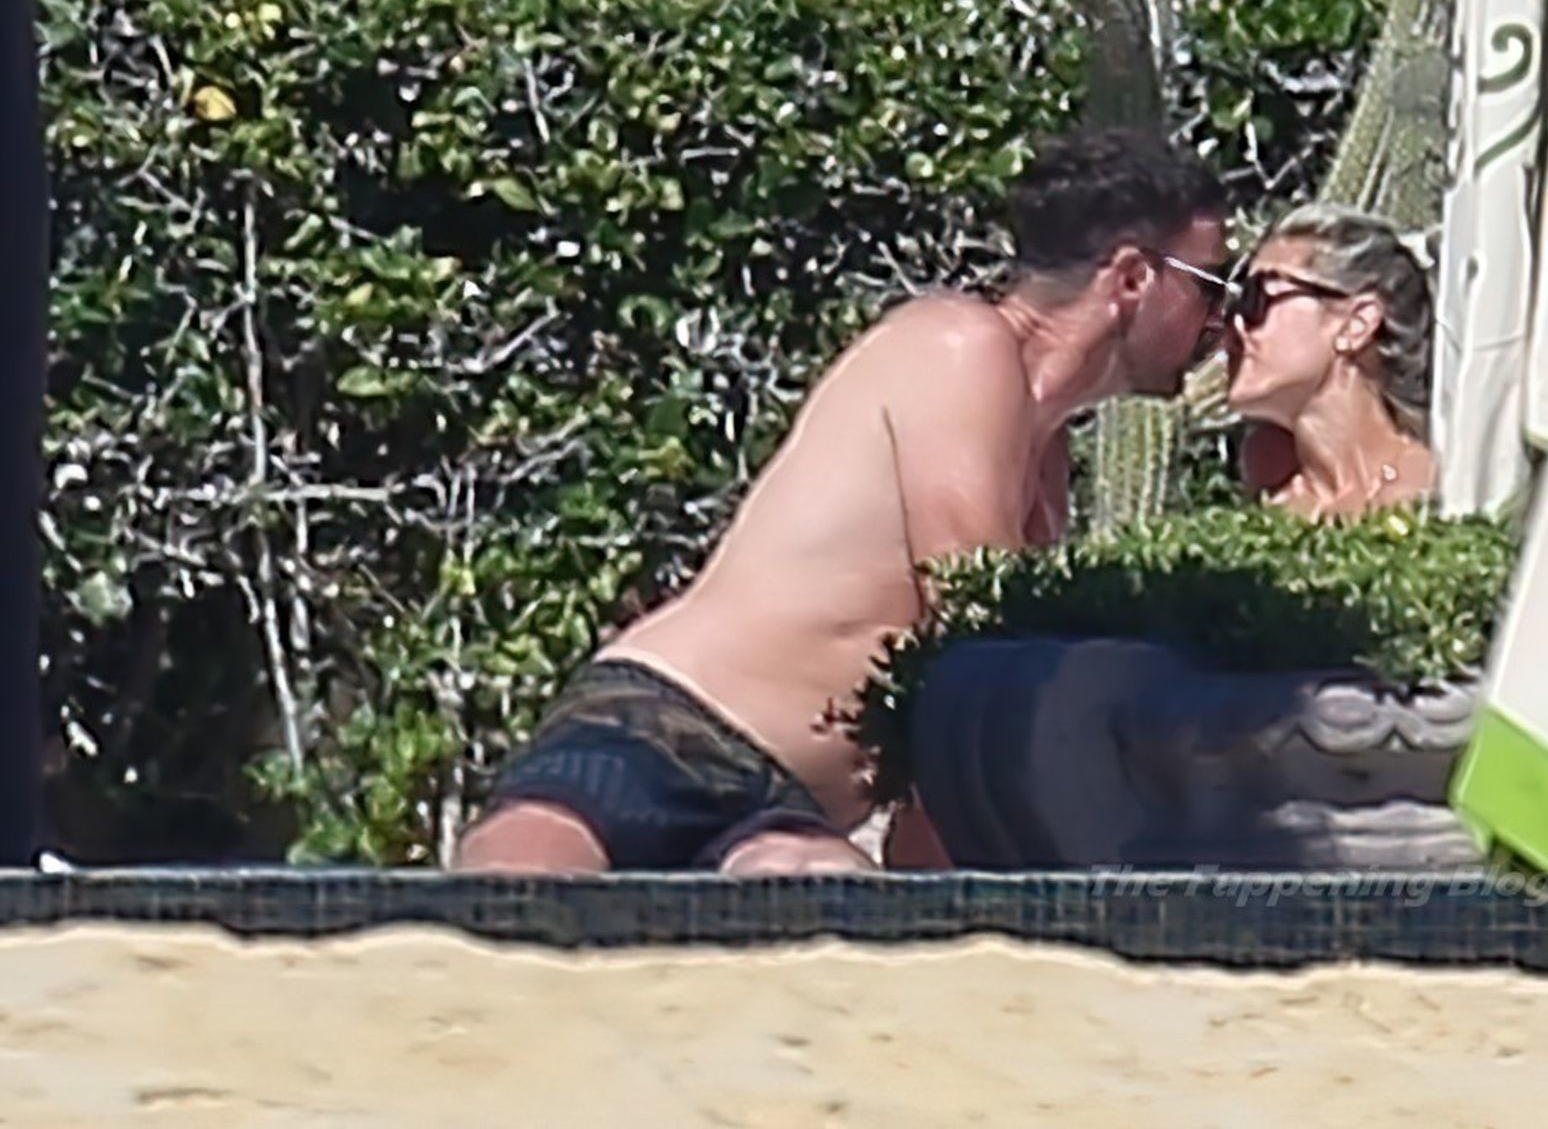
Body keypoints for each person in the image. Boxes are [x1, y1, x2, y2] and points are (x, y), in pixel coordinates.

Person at [454, 127, 1232, 875]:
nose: (1220, 321)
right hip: (671, 725)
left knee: (824, 905)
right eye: (1211, 287)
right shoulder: (959, 346)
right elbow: (972, 619)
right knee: (527, 884)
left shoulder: (1048, 462)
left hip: (787, 808)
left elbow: (958, 706)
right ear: (1132, 279)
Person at [1226, 204, 1435, 516]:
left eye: (1257, 298)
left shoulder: (1443, 491)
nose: (1237, 325)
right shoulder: (1268, 509)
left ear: (1356, 324)